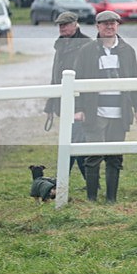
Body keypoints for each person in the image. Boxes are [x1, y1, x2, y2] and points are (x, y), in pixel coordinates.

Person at [73, 10, 137, 202]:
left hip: (119, 113)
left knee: (114, 157)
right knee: (93, 156)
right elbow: (78, 81)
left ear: (117, 25)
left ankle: (111, 199)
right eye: (105, 23)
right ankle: (91, 198)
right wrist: (78, 108)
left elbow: (135, 81)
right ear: (97, 26)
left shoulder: (127, 51)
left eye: (112, 23)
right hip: (94, 112)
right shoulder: (87, 51)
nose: (109, 26)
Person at [44, 11, 92, 180]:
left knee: (74, 142)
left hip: (79, 104)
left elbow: (88, 77)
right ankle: (80, 181)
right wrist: (50, 105)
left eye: (65, 24)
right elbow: (55, 76)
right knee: (71, 141)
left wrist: (82, 108)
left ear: (75, 24)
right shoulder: (61, 46)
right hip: (63, 103)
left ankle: (63, 180)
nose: (62, 28)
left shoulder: (86, 44)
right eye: (60, 25)